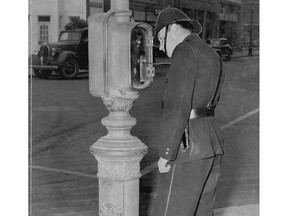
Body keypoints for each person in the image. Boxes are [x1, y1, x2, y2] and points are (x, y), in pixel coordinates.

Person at [151, 7, 225, 216]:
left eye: (161, 38)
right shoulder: (212, 54)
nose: (162, 47)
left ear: (172, 28)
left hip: (186, 148)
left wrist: (166, 152)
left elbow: (177, 106)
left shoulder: (184, 51)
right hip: (212, 144)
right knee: (202, 211)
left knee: (170, 211)